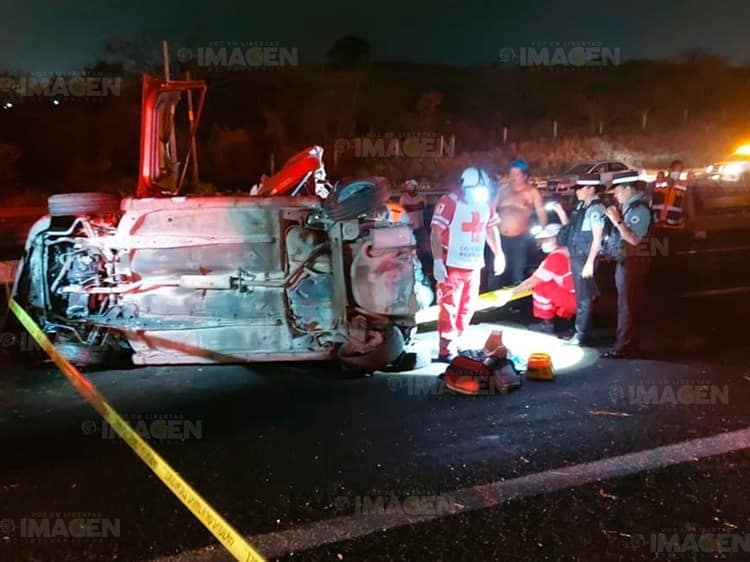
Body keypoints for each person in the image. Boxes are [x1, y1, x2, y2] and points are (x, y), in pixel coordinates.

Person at [431, 167, 505, 362]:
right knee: (449, 308)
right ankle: (445, 349)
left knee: (468, 307)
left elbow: (490, 228)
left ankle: (457, 339)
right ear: (464, 187)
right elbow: (435, 232)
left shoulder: (485, 204)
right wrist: (438, 260)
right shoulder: (449, 202)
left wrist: (499, 254)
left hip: (473, 265)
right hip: (451, 264)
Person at [601, 171, 653, 358]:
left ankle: (626, 347)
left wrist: (617, 220)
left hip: (634, 262)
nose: (615, 195)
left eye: (617, 191)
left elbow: (633, 239)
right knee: (627, 304)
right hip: (626, 261)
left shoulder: (639, 209)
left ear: (628, 188)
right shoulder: (630, 207)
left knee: (628, 306)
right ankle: (625, 344)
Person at [497, 222, 576, 334]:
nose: (542, 243)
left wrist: (510, 293)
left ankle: (547, 325)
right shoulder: (568, 250)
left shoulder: (556, 257)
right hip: (581, 297)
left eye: (546, 239)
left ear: (558, 238)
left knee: (540, 286)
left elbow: (531, 283)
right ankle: (564, 319)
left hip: (573, 300)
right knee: (546, 281)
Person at [561, 173, 606, 346]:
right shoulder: (583, 206)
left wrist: (589, 263)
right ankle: (583, 331)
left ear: (591, 188)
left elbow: (597, 238)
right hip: (578, 255)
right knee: (584, 295)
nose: (577, 191)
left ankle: (580, 335)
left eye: (580, 188)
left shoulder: (595, 209)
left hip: (584, 256)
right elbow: (572, 229)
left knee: (584, 298)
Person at [492, 159, 547, 287]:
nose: (512, 178)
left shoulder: (532, 192)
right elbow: (491, 209)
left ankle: (516, 304)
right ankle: (494, 304)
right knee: (496, 273)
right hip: (499, 238)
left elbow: (541, 214)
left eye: (516, 175)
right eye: (511, 174)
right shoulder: (503, 190)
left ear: (524, 176)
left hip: (520, 239)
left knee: (517, 272)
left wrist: (543, 234)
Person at [651, 159, 692, 229]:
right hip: (657, 224)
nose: (678, 172)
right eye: (676, 170)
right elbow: (651, 202)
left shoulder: (683, 186)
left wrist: (686, 220)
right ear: (670, 170)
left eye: (680, 171)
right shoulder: (657, 183)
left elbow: (686, 204)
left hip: (674, 224)